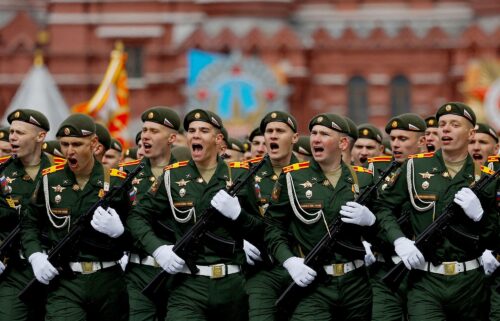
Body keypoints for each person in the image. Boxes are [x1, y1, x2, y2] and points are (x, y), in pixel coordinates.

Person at [127, 109, 261, 321]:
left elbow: (262, 229)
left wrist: (238, 215)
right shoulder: (172, 176)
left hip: (232, 284)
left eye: (204, 130)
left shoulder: (239, 176)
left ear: (218, 140)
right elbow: (137, 217)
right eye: (191, 130)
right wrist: (159, 249)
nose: (195, 135)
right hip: (187, 285)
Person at [375, 102, 497, 321]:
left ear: (470, 133)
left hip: (470, 282)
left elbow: (494, 234)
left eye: (454, 124)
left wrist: (481, 217)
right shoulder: (414, 167)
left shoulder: (486, 175)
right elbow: (383, 207)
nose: (446, 129)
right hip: (425, 281)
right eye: (442, 124)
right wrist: (399, 240)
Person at [265, 113, 376, 320]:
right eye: (314, 133)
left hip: (356, 283)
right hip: (313, 283)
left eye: (324, 134)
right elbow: (272, 227)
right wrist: (289, 261)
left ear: (343, 143)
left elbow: (385, 225)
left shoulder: (363, 178)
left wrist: (371, 224)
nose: (315, 139)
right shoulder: (292, 177)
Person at [21, 113, 132, 321]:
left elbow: (137, 230)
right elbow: (30, 225)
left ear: (94, 144)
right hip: (65, 282)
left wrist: (121, 233)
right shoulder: (49, 180)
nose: (69, 151)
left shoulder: (117, 182)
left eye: (77, 144)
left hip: (107, 280)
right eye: (64, 144)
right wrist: (35, 256)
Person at [120, 106, 181, 321]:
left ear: (172, 137)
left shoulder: (187, 173)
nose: (146, 135)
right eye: (144, 130)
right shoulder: (125, 174)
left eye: (154, 131)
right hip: (139, 269)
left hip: (179, 271)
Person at [366, 113, 427, 321]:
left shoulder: (435, 171)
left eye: (403, 139)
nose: (396, 145)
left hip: (425, 268)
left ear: (422, 141)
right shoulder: (380, 172)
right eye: (393, 139)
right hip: (386, 265)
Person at [245, 111, 300, 321]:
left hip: (304, 262)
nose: (273, 136)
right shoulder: (248, 174)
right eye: (269, 131)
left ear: (294, 137)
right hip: (263, 269)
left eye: (280, 131)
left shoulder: (310, 173)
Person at [0, 109, 52, 321]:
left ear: (40, 137)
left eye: (20, 133)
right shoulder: (2, 171)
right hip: (14, 269)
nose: (12, 137)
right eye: (11, 131)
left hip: (53, 266)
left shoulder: (61, 171)